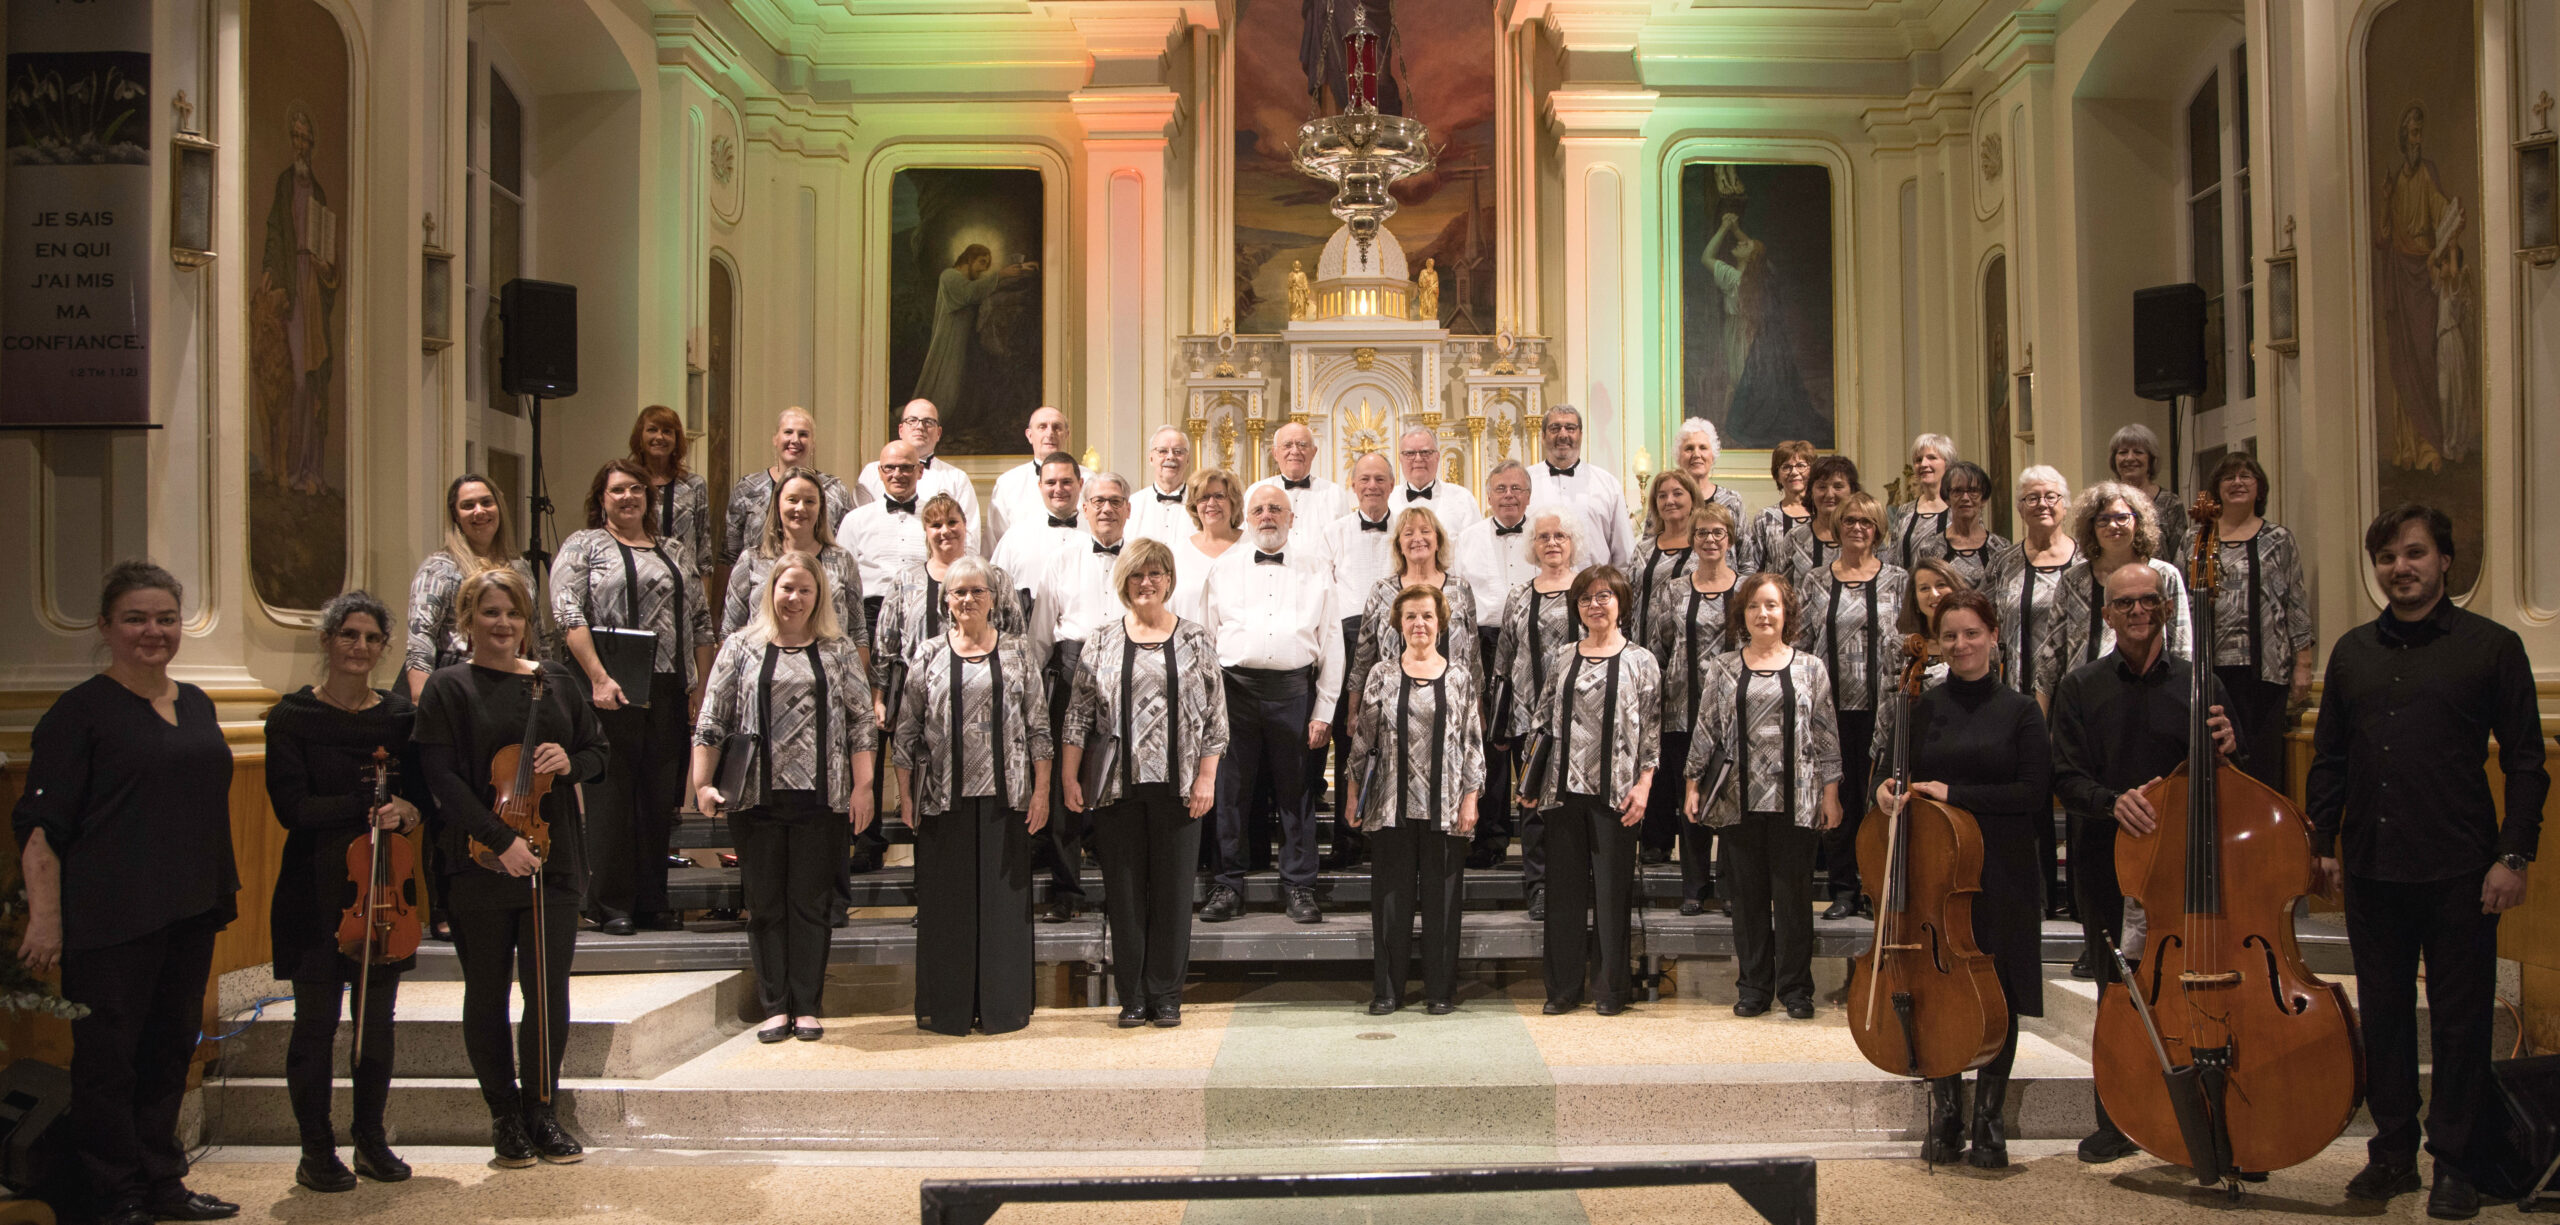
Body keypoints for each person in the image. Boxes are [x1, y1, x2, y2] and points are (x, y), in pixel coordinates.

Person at [2309, 505, 2547, 1216]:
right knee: (2382, 1016)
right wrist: (2321, 842)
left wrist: (2514, 855)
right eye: (2386, 557)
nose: (2400, 568)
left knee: (2461, 1020)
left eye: (2414, 554)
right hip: (2375, 866)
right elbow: (2330, 760)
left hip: (2460, 867)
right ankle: (2392, 1154)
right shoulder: (2352, 651)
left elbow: (2530, 764)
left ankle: (2455, 1162)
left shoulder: (2493, 646)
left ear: (2446, 560)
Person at [14, 563, 243, 1225]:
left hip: (189, 907)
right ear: (106, 627)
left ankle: (162, 1181)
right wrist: (46, 918)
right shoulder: (79, 712)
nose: (154, 630)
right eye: (137, 618)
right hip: (110, 917)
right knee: (109, 1062)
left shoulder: (195, 701)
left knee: (170, 1050)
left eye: (165, 618)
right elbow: (38, 826)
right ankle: (114, 1192)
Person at [413, 567, 607, 1168]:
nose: (503, 624)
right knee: (488, 991)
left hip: (553, 860)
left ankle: (542, 1110)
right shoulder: (449, 687)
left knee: (547, 992)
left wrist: (570, 762)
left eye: (514, 613)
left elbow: (598, 753)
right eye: (490, 613)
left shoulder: (556, 684)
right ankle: (503, 1116)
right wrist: (499, 840)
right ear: (467, 620)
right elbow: (440, 778)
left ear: (528, 623)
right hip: (479, 862)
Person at [2050, 560, 2236, 1161]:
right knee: (2117, 993)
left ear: (2164, 608)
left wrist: (2232, 749)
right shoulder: (2081, 687)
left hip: (2186, 863)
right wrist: (2111, 803)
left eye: (2148, 602)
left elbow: (2232, 777)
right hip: (2106, 861)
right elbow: (2065, 777)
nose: (2137, 612)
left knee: (2199, 986)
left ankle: (2217, 1116)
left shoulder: (2199, 681)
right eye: (2124, 603)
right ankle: (2119, 1116)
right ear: (2107, 615)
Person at [1873, 589, 2053, 1169]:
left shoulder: (2021, 710)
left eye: (1971, 633)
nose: (1960, 645)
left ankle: (1989, 1118)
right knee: (1939, 987)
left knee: (1998, 989)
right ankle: (1948, 1111)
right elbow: (1889, 775)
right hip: (1935, 877)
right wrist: (1883, 791)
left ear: (1993, 636)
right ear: (1935, 644)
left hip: (2001, 869)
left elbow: (2033, 793)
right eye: (1949, 636)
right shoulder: (1919, 706)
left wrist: (1956, 794)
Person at [263, 591, 427, 1192]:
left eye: (372, 638)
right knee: (315, 1025)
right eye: (349, 635)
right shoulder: (291, 719)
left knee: (376, 1024)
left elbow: (424, 800)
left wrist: (406, 809)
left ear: (384, 648)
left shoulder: (399, 720)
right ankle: (315, 1150)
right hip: (314, 888)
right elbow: (293, 809)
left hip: (383, 894)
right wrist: (369, 804)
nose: (360, 647)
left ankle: (371, 1140)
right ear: (328, 641)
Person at [692, 552, 878, 1045]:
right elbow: (712, 717)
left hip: (822, 798)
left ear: (819, 597)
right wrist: (702, 783)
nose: (794, 598)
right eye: (786, 588)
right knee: (766, 904)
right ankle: (775, 1007)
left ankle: (808, 1005)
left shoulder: (837, 650)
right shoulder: (740, 647)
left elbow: (862, 722)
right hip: (756, 798)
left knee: (811, 906)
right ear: (770, 590)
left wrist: (863, 787)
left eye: (805, 590)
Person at [1061, 538, 1227, 1028]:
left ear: (1169, 580)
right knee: (1125, 894)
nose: (1146, 583)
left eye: (1155, 574)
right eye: (1137, 575)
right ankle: (1131, 995)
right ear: (1124, 583)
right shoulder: (1102, 639)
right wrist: (1070, 776)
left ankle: (1167, 995)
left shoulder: (1195, 638)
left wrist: (1206, 778)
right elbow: (1077, 715)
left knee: (1175, 895)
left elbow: (1216, 718)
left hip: (1178, 788)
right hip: (1117, 787)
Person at [891, 556, 1053, 1036]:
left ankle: (1004, 1009)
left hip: (1009, 799)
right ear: (946, 601)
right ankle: (949, 1010)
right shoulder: (926, 654)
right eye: (958, 592)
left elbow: (1039, 727)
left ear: (992, 598)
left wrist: (1042, 792)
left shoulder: (1019, 652)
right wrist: (905, 797)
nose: (967, 600)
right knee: (948, 911)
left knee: (1003, 912)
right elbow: (905, 732)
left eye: (976, 591)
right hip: (943, 800)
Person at [553, 459, 716, 935]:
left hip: (668, 687)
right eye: (618, 490)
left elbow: (702, 622)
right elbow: (568, 614)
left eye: (636, 490)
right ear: (601, 498)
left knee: (657, 799)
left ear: (649, 496)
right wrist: (599, 679)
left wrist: (699, 688)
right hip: (611, 687)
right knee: (612, 798)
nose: (628, 498)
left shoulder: (674, 549)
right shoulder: (584, 546)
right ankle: (609, 903)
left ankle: (653, 899)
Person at [1685, 571, 1842, 1021]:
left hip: (1797, 798)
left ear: (1786, 612)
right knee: (1748, 899)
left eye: (1771, 605)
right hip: (1739, 799)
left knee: (1793, 899)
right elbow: (1706, 730)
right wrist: (1693, 784)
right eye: (1754, 606)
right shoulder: (1723, 667)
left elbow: (1827, 735)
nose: (1763, 613)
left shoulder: (1810, 667)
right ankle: (1753, 985)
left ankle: (1795, 988)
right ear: (1742, 616)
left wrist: (1831, 794)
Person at [1517, 565, 1661, 1017]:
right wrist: (1530, 781)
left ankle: (1610, 991)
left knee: (1613, 896)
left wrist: (1644, 785)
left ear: (1621, 603)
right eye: (1585, 599)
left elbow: (1652, 732)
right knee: (1563, 896)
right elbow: (1541, 721)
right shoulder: (1564, 656)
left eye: (1603, 597)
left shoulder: (1641, 660)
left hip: (1616, 794)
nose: (1594, 606)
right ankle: (1561, 990)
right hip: (1562, 792)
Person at [1197, 484, 1343, 924]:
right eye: (1259, 509)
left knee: (1296, 793)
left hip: (1294, 693)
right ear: (1248, 517)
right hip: (1233, 693)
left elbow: (1331, 642)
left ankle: (1299, 886)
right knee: (1231, 793)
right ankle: (1227, 884)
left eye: (1276, 509)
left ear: (1291, 518)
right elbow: (1206, 640)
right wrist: (1211, 708)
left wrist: (1324, 711)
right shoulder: (1223, 568)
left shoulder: (1317, 569)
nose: (1267, 516)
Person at [1344, 584, 1484, 1015]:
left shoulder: (1459, 677)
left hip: (1445, 807)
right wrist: (1352, 796)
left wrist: (1470, 799)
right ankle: (1388, 990)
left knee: (1443, 905)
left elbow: (1472, 742)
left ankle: (1440, 991)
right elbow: (1363, 741)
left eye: (1427, 616)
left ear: (1440, 623)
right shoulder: (1382, 675)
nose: (1419, 624)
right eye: (1410, 617)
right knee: (1391, 903)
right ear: (1399, 625)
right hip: (1390, 807)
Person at [869, 492, 1027, 869]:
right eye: (936, 524)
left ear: (965, 526)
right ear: (925, 531)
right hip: (924, 706)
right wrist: (879, 697)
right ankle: (933, 893)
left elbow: (1015, 636)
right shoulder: (906, 581)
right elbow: (886, 645)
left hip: (987, 707)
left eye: (952, 522)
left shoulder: (995, 578)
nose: (945, 531)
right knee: (928, 798)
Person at [1023, 472, 1138, 922]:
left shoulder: (1143, 557)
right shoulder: (1062, 558)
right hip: (1071, 671)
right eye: (1098, 502)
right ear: (1084, 509)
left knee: (1120, 785)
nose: (1106, 509)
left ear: (1128, 508)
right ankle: (1067, 890)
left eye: (1115, 501)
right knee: (1062, 786)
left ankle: (1122, 891)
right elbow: (1040, 635)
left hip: (1130, 668)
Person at [1796, 492, 1907, 920]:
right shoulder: (1816, 580)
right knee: (1836, 798)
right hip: (1831, 710)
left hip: (1884, 708)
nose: (1857, 528)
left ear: (1878, 530)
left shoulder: (1897, 579)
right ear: (1837, 526)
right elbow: (1802, 643)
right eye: (1850, 521)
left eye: (1867, 522)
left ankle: (1879, 887)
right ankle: (1844, 888)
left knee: (1878, 798)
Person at [1494, 506, 1595, 921]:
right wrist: (1499, 720)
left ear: (1573, 544)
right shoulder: (1520, 595)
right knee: (1533, 807)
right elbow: (1504, 658)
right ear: (1532, 546)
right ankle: (1536, 888)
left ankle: (1576, 884)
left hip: (1583, 720)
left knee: (1576, 807)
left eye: (1560, 536)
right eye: (1543, 537)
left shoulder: (1590, 589)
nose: (1552, 543)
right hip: (1529, 720)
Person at [1645, 501, 1743, 913]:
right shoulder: (1675, 589)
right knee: (1692, 798)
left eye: (1717, 533)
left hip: (1734, 710)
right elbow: (1659, 645)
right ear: (1692, 539)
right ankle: (1694, 885)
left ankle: (1733, 887)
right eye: (1701, 533)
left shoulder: (1747, 588)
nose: (1709, 540)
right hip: (1682, 708)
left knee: (1733, 796)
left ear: (1729, 538)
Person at [2200, 453, 2315, 788]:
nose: (2238, 482)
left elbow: (2296, 600)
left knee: (2264, 764)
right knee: (2219, 764)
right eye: (2229, 477)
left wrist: (2303, 662)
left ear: (2259, 488)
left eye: (2246, 476)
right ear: (2217, 488)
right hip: (2213, 672)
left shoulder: (2279, 538)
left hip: (2267, 672)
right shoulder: (2198, 539)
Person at [1453, 460, 1540, 869]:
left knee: (1530, 742)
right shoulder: (1467, 539)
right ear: (1488, 495)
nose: (1509, 495)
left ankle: (1538, 839)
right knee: (1488, 746)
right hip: (1483, 645)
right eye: (1501, 488)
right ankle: (1490, 837)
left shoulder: (1543, 534)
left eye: (1517, 488)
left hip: (1531, 645)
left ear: (1528, 494)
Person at [2032, 481, 2193, 702]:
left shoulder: (2165, 575)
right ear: (2092, 528)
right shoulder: (2074, 579)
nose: (2113, 526)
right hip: (2086, 699)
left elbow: (2182, 648)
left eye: (2121, 517)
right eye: (2103, 520)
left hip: (2153, 694)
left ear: (2138, 522)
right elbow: (2051, 655)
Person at [404, 474, 531, 699]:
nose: (479, 511)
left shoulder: (521, 569)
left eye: (486, 502)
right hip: (458, 685)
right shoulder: (437, 569)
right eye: (468, 506)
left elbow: (535, 636)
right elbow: (420, 641)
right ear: (456, 515)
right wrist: (420, 701)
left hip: (513, 681)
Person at [722, 467, 869, 644]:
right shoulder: (752, 560)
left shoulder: (843, 560)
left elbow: (859, 634)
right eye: (792, 500)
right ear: (777, 503)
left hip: (829, 667)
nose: (800, 508)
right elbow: (729, 632)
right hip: (763, 667)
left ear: (820, 506)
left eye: (809, 501)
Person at [1984, 466, 2077, 698]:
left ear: (2064, 505)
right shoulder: (2002, 564)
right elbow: (1984, 621)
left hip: (2075, 688)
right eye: (2032, 498)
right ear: (2020, 509)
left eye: (2051, 496)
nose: (2042, 504)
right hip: (2015, 689)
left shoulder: (2086, 561)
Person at [724, 408, 856, 568]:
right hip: (760, 583)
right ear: (775, 439)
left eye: (803, 434)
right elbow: (729, 555)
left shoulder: (835, 489)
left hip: (821, 581)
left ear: (813, 443)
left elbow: (847, 547)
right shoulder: (747, 488)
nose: (795, 440)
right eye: (788, 432)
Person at [860, 399, 983, 549]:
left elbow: (970, 537)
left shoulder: (957, 478)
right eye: (912, 420)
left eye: (928, 422)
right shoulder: (872, 472)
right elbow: (859, 527)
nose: (920, 426)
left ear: (938, 433)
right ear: (900, 430)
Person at [989, 451, 1088, 627]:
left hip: (1083, 639)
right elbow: (994, 591)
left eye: (1066, 482)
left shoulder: (1095, 534)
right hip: (1027, 636)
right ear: (1040, 486)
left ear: (1080, 484)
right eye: (1051, 482)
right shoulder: (1015, 537)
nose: (1059, 489)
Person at [629, 404, 714, 609]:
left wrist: (705, 601)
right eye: (652, 430)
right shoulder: (628, 485)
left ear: (676, 440)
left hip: (684, 590)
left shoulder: (694, 485)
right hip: (638, 587)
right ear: (640, 437)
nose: (660, 437)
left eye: (667, 431)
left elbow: (703, 548)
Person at [1527, 406, 1633, 567]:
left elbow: (1625, 553)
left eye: (1570, 428)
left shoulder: (1608, 484)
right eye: (1555, 428)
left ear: (1581, 435)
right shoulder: (1524, 483)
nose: (1563, 435)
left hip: (1594, 587)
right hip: (1540, 586)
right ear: (1542, 436)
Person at [1627, 470, 1704, 676]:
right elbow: (1629, 599)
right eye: (1662, 496)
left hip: (1688, 653)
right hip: (1643, 651)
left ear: (1693, 499)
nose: (1669, 500)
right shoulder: (1643, 549)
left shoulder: (1706, 547)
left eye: (1677, 493)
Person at [1671, 417, 1755, 571]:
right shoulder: (1667, 501)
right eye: (1689, 448)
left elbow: (1747, 558)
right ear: (1679, 456)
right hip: (1677, 590)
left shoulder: (1732, 500)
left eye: (1703, 447)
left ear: (1712, 455)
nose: (1696, 454)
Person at [987, 406, 1075, 549]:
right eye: (1042, 427)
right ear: (1029, 435)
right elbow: (994, 543)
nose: (1050, 433)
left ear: (1067, 434)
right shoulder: (1007, 483)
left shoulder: (1089, 480)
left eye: (1057, 427)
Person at [1248, 420, 1350, 542]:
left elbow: (1346, 543)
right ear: (1275, 453)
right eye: (1287, 445)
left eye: (1302, 445)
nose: (1295, 451)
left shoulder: (1335, 494)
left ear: (1314, 452)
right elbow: (1246, 540)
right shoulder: (1256, 493)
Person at [1166, 467, 1244, 622]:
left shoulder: (1252, 547)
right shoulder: (1177, 553)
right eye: (1204, 497)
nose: (1211, 503)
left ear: (1233, 502)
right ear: (1195, 505)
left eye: (1219, 496)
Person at [2106, 422, 2187, 563]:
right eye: (2123, 452)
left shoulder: (2171, 503)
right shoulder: (2104, 500)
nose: (2130, 458)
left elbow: (2179, 557)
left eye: (2138, 452)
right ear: (2114, 459)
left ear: (2151, 459)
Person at [1776, 455, 1860, 586]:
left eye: (1838, 487)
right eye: (1822, 487)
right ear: (1811, 491)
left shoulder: (1865, 536)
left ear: (1852, 491)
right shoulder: (1796, 538)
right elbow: (1779, 588)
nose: (1829, 494)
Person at [1387, 425, 1480, 536]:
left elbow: (1476, 545)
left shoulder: (1463, 499)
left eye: (1425, 452)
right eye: (1410, 453)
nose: (1418, 459)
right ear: (1400, 459)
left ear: (1437, 457)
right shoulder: (1387, 500)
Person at [1885, 433, 1956, 570]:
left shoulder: (1959, 509)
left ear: (1948, 464)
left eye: (1931, 458)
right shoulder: (1905, 511)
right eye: (1918, 460)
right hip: (1907, 589)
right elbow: (1892, 559)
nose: (1923, 464)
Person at [1934, 461, 2009, 588]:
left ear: (1983, 498)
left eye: (1973, 491)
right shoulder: (1930, 547)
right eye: (1957, 491)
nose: (1965, 498)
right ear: (1947, 498)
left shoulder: (2001, 548)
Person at [1748, 440, 1817, 576]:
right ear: (1777, 475)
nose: (1794, 472)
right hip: (1776, 595)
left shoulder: (1823, 515)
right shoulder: (1765, 517)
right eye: (1786, 467)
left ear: (1812, 471)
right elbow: (1755, 567)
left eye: (1801, 465)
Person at [1128, 426, 1197, 546]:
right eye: (1162, 451)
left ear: (1188, 459)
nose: (1170, 457)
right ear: (1151, 458)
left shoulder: (1201, 503)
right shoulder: (1133, 504)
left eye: (1178, 451)